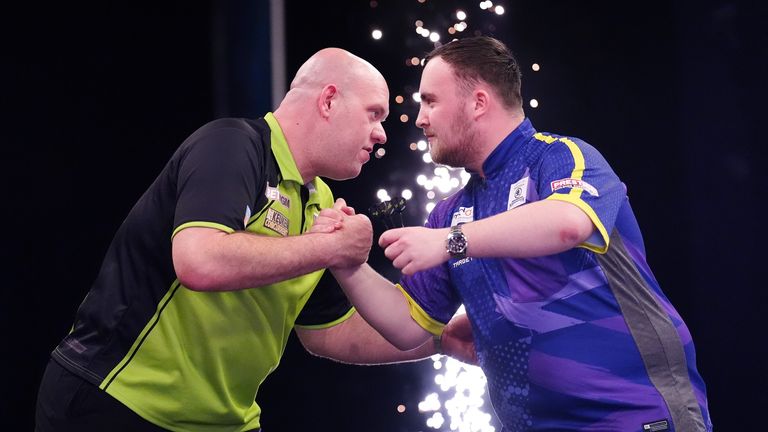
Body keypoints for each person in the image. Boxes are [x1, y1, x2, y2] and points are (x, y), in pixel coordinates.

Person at [35, 48, 475, 432]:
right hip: (118, 402)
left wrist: (441, 341)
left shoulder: (320, 200)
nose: (382, 134)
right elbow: (199, 260)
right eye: (374, 114)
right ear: (328, 100)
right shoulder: (233, 145)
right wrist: (332, 249)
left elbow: (328, 332)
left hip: (224, 422)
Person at [320, 37, 713, 431]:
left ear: (478, 102)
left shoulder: (562, 157)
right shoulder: (451, 212)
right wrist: (342, 258)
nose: (420, 118)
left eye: (431, 101)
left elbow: (567, 223)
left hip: (636, 417)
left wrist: (449, 242)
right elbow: (407, 328)